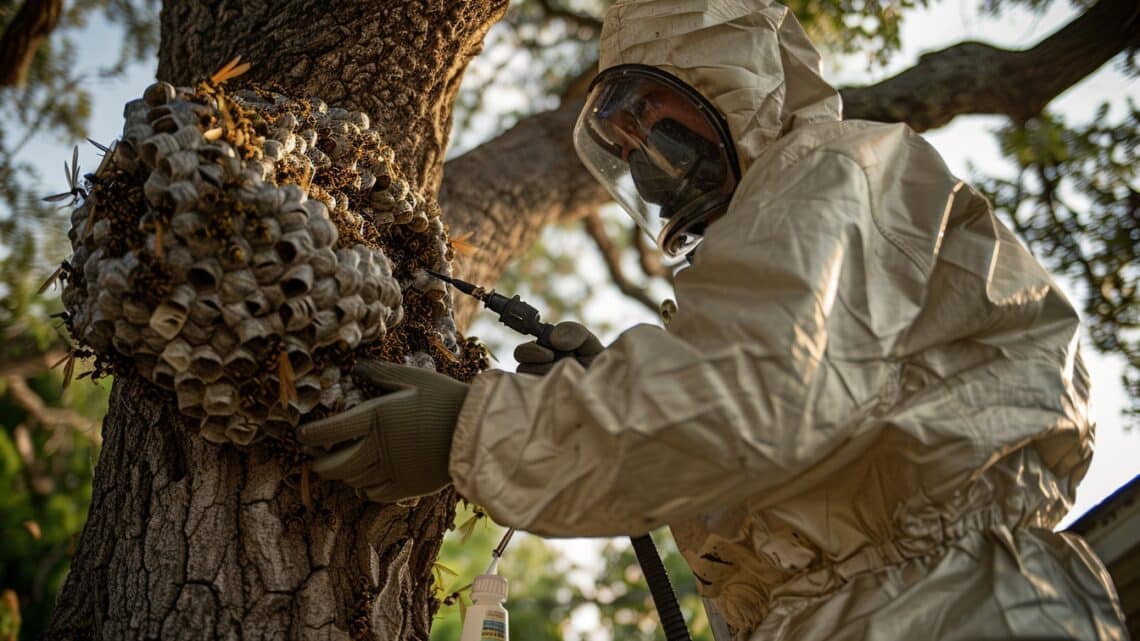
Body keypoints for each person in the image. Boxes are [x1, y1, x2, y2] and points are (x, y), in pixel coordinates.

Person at [297, 0, 1128, 639]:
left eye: (653, 108)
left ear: (739, 80)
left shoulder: (831, 170)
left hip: (946, 610)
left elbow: (754, 393)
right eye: (620, 136)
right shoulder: (787, 232)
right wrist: (606, 386)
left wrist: (476, 432)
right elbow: (767, 457)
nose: (639, 149)